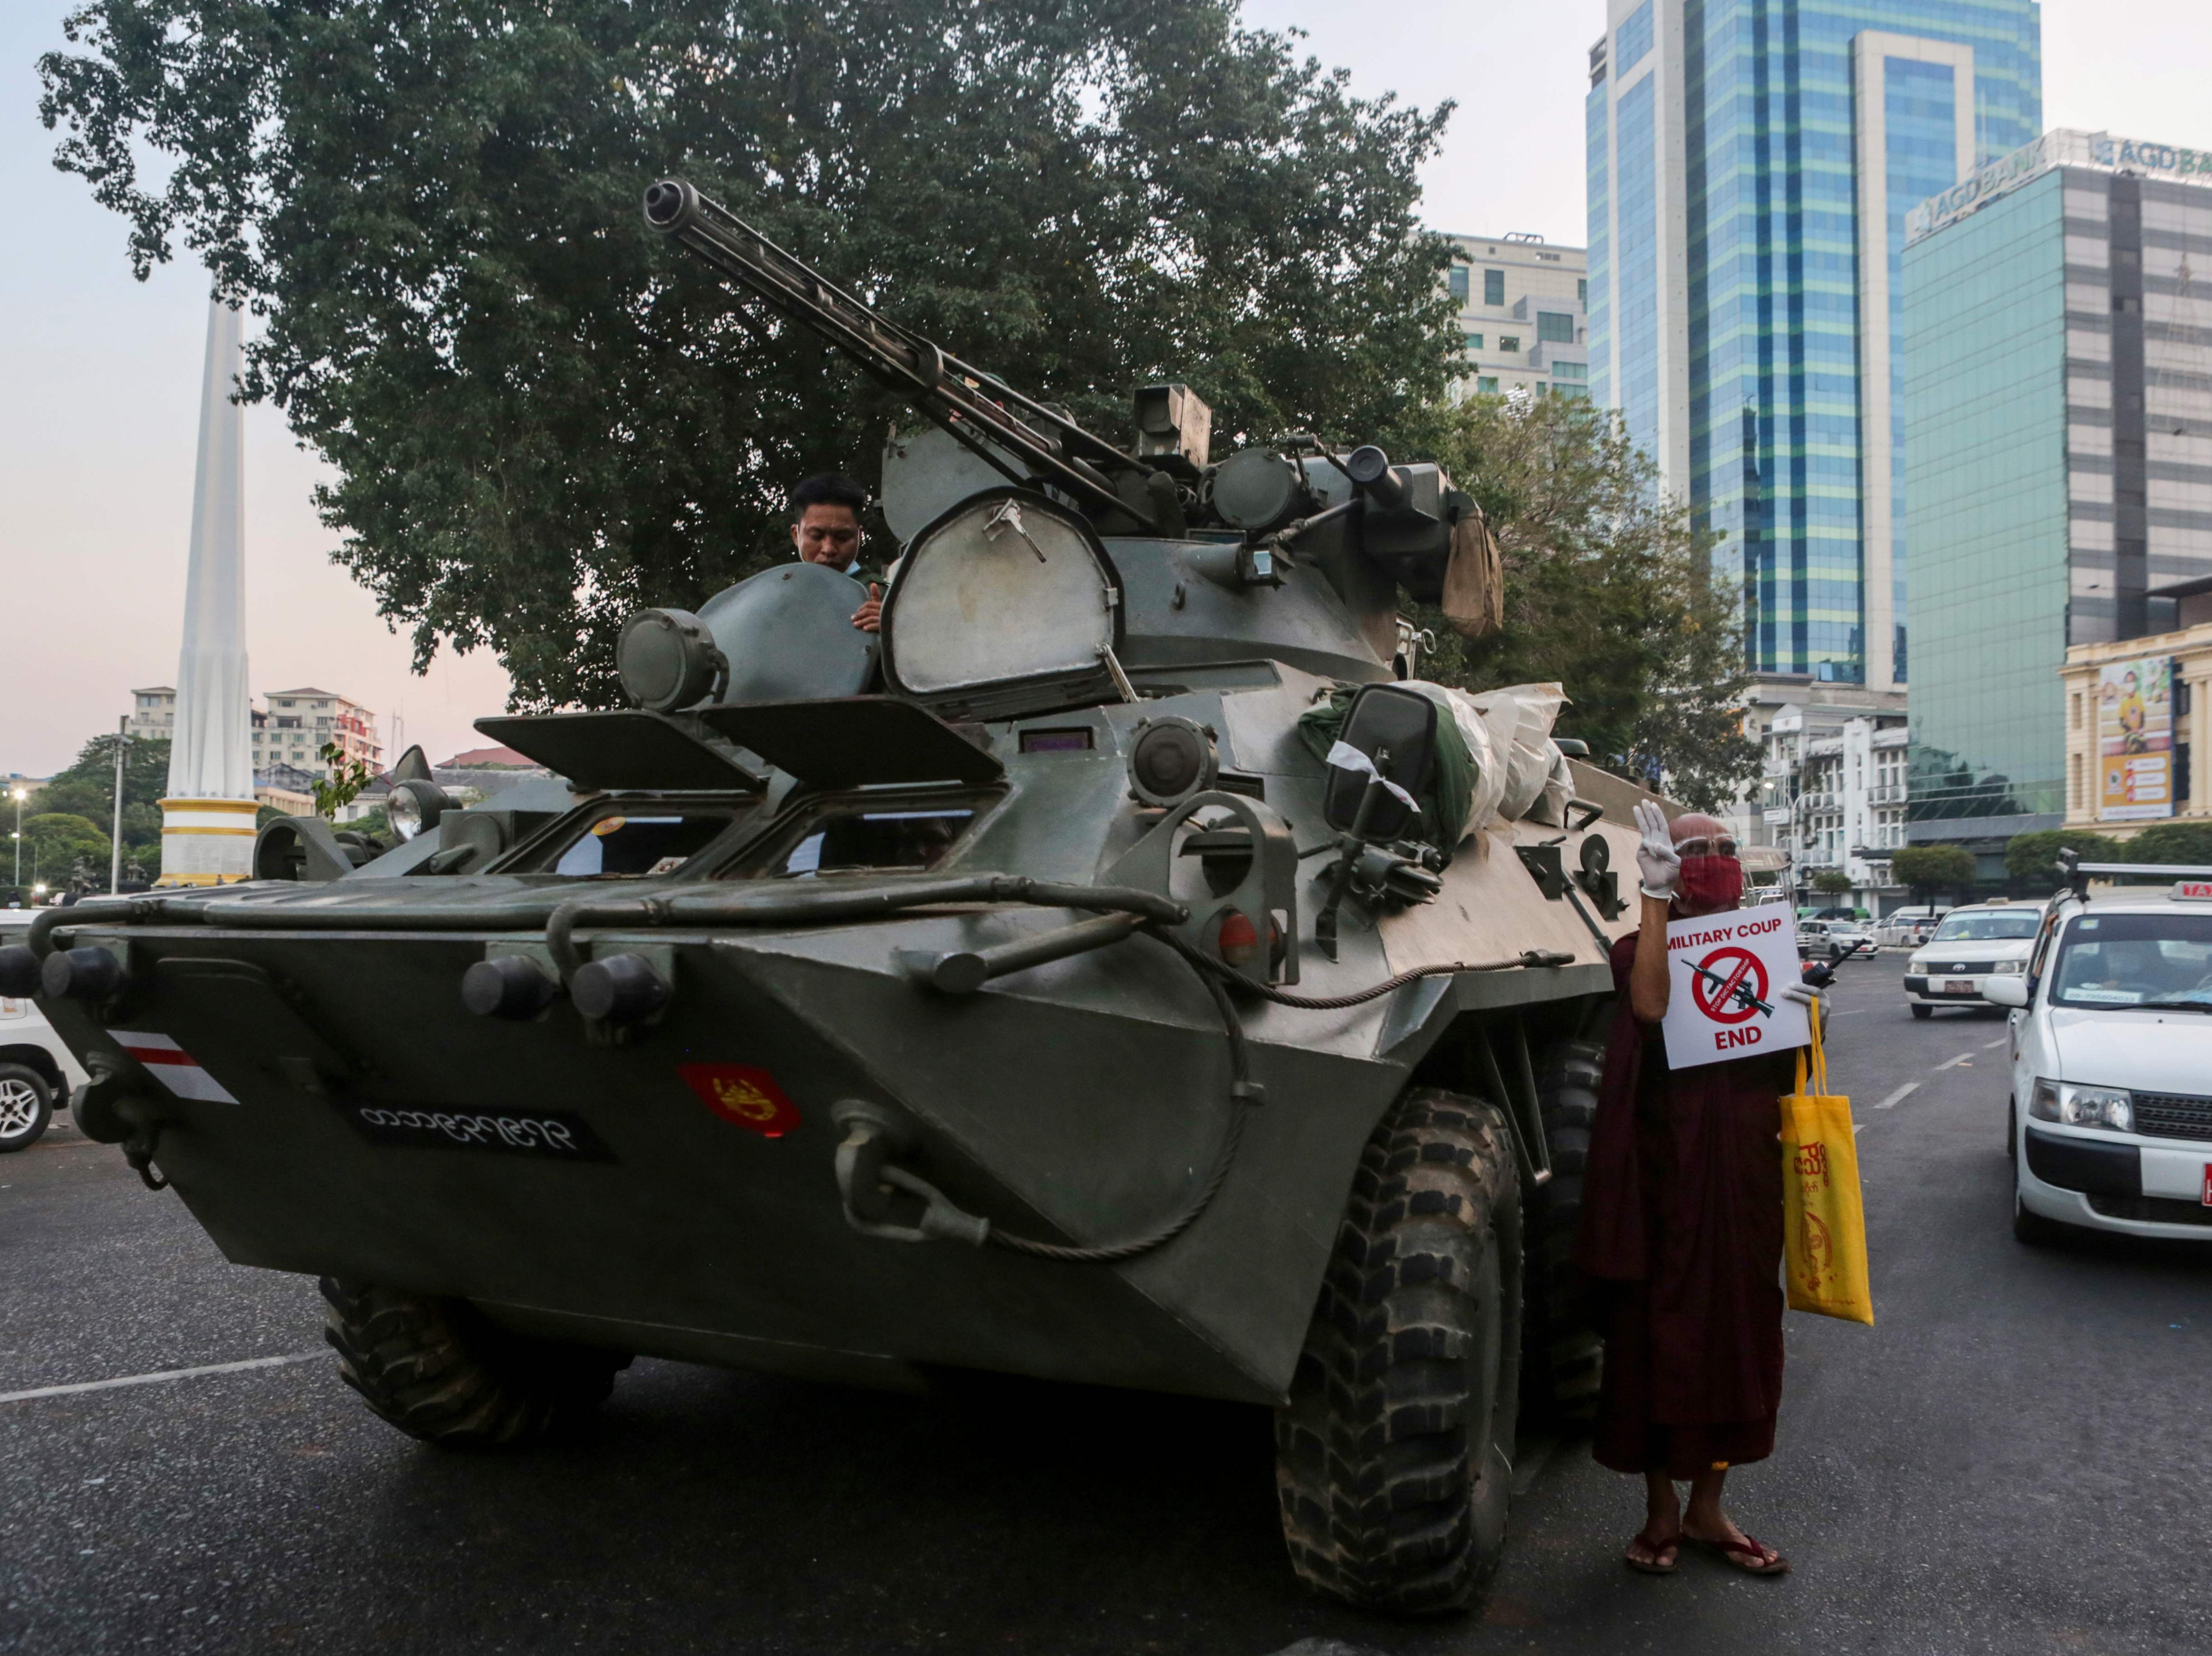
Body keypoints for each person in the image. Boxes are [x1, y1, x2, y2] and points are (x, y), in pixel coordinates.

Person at [1576, 802, 1826, 1579]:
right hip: (1660, 1183)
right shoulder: (1633, 951)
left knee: (1742, 1336)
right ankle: (1659, 1512)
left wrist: (1805, 1010)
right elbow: (1651, 1004)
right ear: (1667, 864)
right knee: (1654, 1342)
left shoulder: (1766, 949)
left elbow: (1785, 1066)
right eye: (1693, 850)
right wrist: (1655, 901)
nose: (1712, 859)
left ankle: (1708, 1509)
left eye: (1723, 847)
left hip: (1746, 1182)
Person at [787, 472, 883, 634]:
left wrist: (895, 630)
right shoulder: (777, 596)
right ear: (796, 535)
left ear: (859, 537)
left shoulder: (888, 599)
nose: (829, 549)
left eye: (842, 537)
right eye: (817, 536)